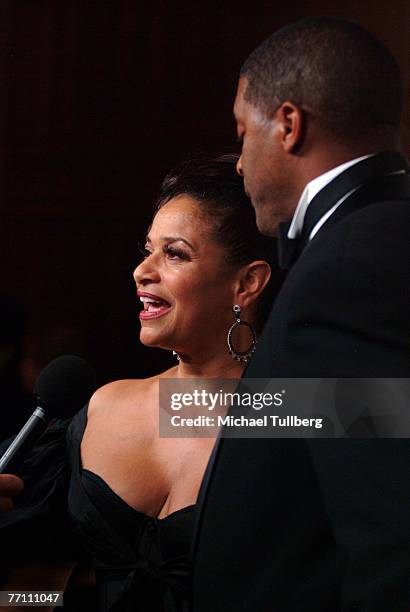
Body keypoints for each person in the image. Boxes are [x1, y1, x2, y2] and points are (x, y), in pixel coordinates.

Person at [192, 17, 410, 611]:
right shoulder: (376, 241)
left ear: (288, 125)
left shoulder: (348, 267)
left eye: (242, 133)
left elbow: (390, 531)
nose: (238, 163)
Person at [0, 155, 280, 611]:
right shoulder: (104, 407)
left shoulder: (310, 410)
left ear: (246, 283)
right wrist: (51, 600)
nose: (142, 271)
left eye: (174, 253)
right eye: (146, 249)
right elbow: (30, 595)